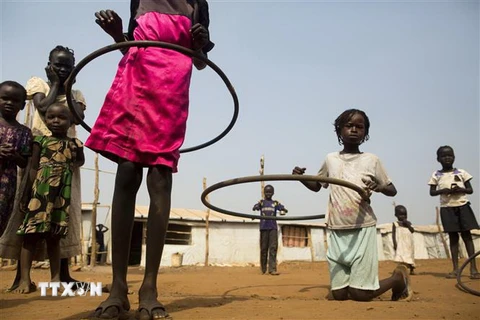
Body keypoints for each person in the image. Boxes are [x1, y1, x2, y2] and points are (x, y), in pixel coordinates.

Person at [85, 1, 214, 319]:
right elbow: (132, 46)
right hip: (135, 85)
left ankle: (149, 289)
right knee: (127, 172)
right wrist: (117, 34)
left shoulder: (197, 3)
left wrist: (199, 46)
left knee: (160, 176)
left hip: (170, 91)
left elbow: (201, 63)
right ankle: (117, 288)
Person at [292, 108, 413, 302]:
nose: (354, 130)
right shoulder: (331, 159)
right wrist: (299, 178)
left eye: (360, 126)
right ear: (339, 130)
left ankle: (398, 279)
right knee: (339, 294)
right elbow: (316, 186)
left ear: (365, 132)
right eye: (349, 126)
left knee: (360, 295)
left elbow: (392, 189)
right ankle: (355, 284)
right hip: (336, 228)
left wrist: (379, 186)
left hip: (362, 228)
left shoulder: (371, 160)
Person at [0, 45, 86, 292]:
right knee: (27, 216)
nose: (61, 69)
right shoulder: (39, 84)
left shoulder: (76, 92)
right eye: (57, 64)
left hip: (65, 160)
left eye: (67, 66)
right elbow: (43, 107)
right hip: (36, 155)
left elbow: (78, 117)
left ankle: (63, 276)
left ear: (73, 69)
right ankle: (21, 276)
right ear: (48, 64)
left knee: (62, 217)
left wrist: (67, 85)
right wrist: (56, 84)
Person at [13, 104, 85, 293]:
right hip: (40, 192)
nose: (55, 121)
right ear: (45, 120)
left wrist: (73, 162)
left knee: (55, 236)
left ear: (70, 122)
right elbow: (33, 168)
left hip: (62, 193)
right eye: (51, 117)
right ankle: (25, 280)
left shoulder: (75, 143)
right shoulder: (40, 141)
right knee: (30, 235)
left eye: (61, 118)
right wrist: (26, 194)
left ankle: (55, 279)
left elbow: (80, 161)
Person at [428, 145, 480, 279]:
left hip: (462, 206)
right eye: (444, 156)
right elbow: (432, 192)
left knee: (467, 237)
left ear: (454, 157)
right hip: (447, 208)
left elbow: (470, 190)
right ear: (438, 159)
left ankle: (474, 269)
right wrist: (443, 191)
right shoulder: (436, 175)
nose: (447, 158)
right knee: (453, 238)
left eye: (450, 156)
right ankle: (456, 269)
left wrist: (460, 189)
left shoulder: (462, 173)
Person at [0, 81, 33, 237]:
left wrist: (15, 156)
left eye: (15, 100)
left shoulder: (24, 132)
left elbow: (25, 162)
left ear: (22, 105)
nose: (9, 103)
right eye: (5, 98)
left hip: (6, 185)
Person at [252, 185, 288, 275]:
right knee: (264, 249)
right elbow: (256, 206)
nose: (268, 194)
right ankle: (263, 269)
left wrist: (283, 209)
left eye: (270, 192)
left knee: (273, 248)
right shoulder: (261, 202)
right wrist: (255, 207)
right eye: (267, 192)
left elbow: (281, 207)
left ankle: (272, 269)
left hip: (273, 228)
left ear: (273, 193)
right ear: (264, 193)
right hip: (263, 227)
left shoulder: (275, 203)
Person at [392, 205, 415, 275]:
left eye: (405, 215)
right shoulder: (395, 224)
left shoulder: (409, 223)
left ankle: (411, 268)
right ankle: (401, 269)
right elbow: (393, 234)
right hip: (400, 243)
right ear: (396, 215)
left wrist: (407, 225)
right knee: (401, 255)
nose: (403, 216)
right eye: (401, 215)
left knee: (409, 256)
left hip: (408, 243)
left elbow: (412, 230)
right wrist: (395, 243)